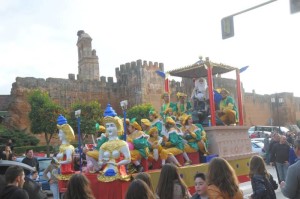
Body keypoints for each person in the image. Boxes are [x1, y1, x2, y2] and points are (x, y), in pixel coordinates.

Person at [97, 104, 131, 181]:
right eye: (107, 126)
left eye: (112, 125)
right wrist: (103, 161)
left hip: (119, 172)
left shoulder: (122, 143)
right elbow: (100, 162)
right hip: (106, 172)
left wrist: (117, 164)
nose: (109, 128)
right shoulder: (104, 145)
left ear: (118, 126)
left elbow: (128, 159)